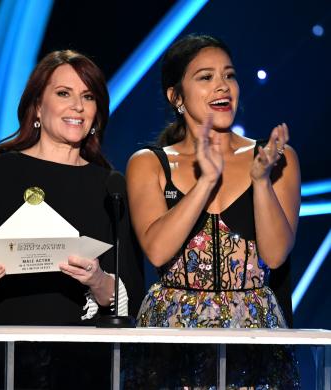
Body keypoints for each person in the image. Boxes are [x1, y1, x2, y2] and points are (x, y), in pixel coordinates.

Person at [0, 49, 144, 389]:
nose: (78, 107)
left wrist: (98, 281)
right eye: (64, 93)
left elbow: (129, 290)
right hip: (4, 363)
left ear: (97, 113)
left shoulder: (110, 185)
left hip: (83, 369)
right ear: (38, 106)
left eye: (88, 96)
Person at [125, 34, 301, 389]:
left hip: (253, 333)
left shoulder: (275, 157)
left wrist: (262, 181)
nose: (222, 86)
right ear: (176, 96)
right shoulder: (149, 163)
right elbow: (157, 249)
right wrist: (206, 182)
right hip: (172, 332)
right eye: (205, 77)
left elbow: (276, 254)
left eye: (229, 75)